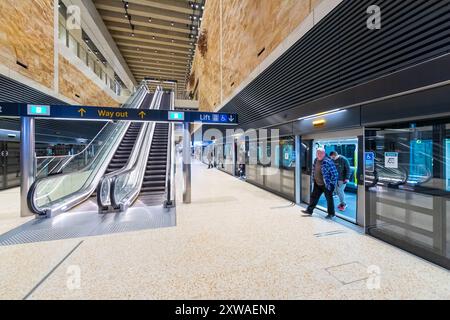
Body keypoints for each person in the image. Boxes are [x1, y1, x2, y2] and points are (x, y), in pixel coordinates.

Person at [302, 147, 338, 219]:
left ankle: (331, 214)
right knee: (314, 197)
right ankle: (309, 210)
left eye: (321, 153)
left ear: (324, 153)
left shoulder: (328, 161)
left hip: (326, 184)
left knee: (329, 199)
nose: (319, 154)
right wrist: (313, 179)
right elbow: (314, 170)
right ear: (316, 154)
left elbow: (335, 174)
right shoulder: (316, 160)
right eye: (318, 153)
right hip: (317, 183)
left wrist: (331, 184)